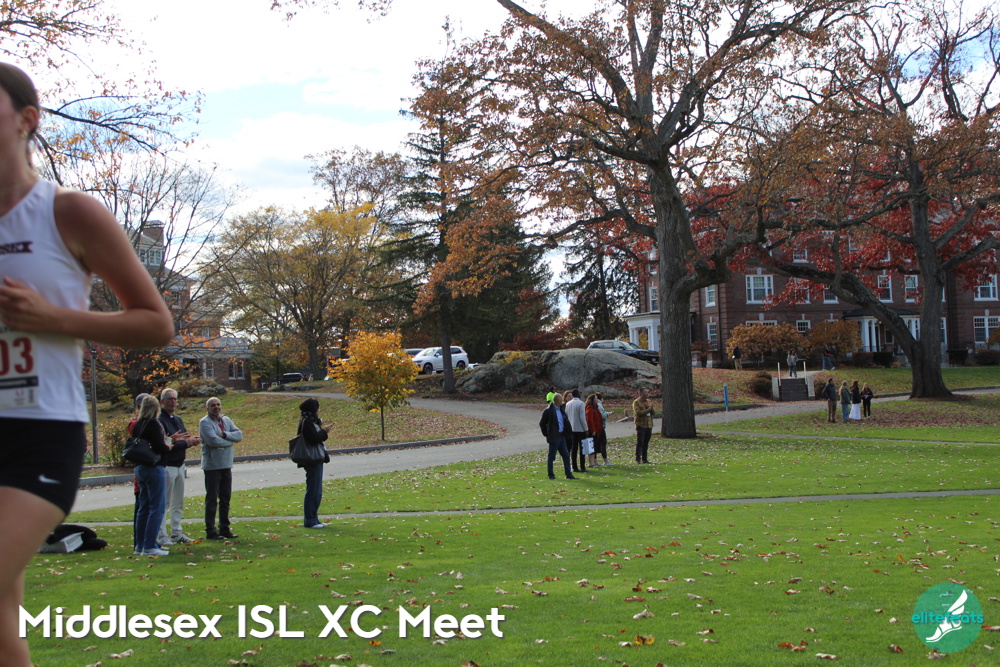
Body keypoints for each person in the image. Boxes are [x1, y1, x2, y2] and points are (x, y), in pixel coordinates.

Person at [0, 63, 173, 664]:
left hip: (38, 433)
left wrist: (54, 319)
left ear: (26, 120)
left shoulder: (68, 212)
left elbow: (155, 323)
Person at [157, 388, 200, 546]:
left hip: (180, 464)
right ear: (162, 401)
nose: (173, 402)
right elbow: (165, 445)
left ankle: (176, 532)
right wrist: (185, 443)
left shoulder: (177, 419)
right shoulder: (160, 421)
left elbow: (183, 439)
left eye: (175, 399)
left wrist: (191, 441)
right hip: (167, 465)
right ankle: (161, 535)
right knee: (165, 502)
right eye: (170, 399)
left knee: (177, 502)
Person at [133, 395, 173, 557]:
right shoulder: (154, 424)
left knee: (143, 507)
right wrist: (168, 445)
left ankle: (140, 544)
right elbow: (159, 447)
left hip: (140, 467)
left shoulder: (138, 424)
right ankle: (149, 545)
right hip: (154, 467)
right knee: (157, 507)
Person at [199, 397, 243, 540]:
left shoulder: (226, 420)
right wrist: (229, 442)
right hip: (212, 466)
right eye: (213, 405)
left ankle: (224, 528)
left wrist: (225, 435)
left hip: (226, 464)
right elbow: (212, 440)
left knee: (225, 498)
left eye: (218, 404)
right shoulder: (205, 422)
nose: (216, 407)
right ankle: (210, 530)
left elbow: (239, 435)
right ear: (208, 408)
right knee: (212, 499)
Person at [295, 398, 331, 528]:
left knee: (317, 491)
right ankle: (310, 520)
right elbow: (313, 438)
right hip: (311, 459)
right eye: (317, 408)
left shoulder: (310, 421)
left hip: (315, 459)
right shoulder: (307, 422)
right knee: (313, 491)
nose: (319, 410)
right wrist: (324, 432)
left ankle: (314, 519)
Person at [129, 393, 150, 554]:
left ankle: (148, 540)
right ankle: (139, 542)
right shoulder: (136, 424)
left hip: (148, 469)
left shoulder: (148, 423)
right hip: (144, 470)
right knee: (142, 507)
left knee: (148, 507)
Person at [538, 393, 574, 480]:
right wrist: (547, 434)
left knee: (566, 455)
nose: (562, 401)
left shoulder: (561, 410)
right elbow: (542, 423)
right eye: (561, 399)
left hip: (562, 435)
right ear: (557, 400)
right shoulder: (548, 411)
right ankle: (551, 475)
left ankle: (568, 474)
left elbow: (565, 421)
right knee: (552, 456)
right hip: (554, 436)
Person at [564, 388, 588, 473]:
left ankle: (574, 466)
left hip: (572, 428)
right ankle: (582, 466)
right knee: (582, 449)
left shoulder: (568, 404)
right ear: (578, 394)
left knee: (574, 448)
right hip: (580, 429)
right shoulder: (581, 403)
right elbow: (582, 418)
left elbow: (566, 416)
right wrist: (586, 428)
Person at [633, 389, 654, 463]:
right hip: (641, 425)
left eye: (647, 392)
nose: (647, 393)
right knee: (640, 442)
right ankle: (638, 459)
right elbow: (638, 413)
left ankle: (645, 459)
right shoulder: (636, 402)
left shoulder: (649, 401)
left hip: (649, 424)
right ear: (641, 393)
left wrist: (650, 409)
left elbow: (653, 413)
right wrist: (648, 409)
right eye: (645, 392)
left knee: (646, 443)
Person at [584, 394, 604, 469]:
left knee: (594, 447)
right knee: (591, 447)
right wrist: (593, 430)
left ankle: (593, 462)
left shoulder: (596, 407)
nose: (597, 400)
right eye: (595, 398)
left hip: (597, 430)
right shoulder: (590, 408)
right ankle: (591, 463)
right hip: (592, 431)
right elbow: (589, 420)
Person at [595, 391, 611, 465]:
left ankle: (595, 461)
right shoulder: (599, 405)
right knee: (603, 443)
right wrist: (608, 414)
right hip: (600, 427)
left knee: (596, 443)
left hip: (596, 427)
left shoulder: (595, 405)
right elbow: (602, 415)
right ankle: (605, 460)